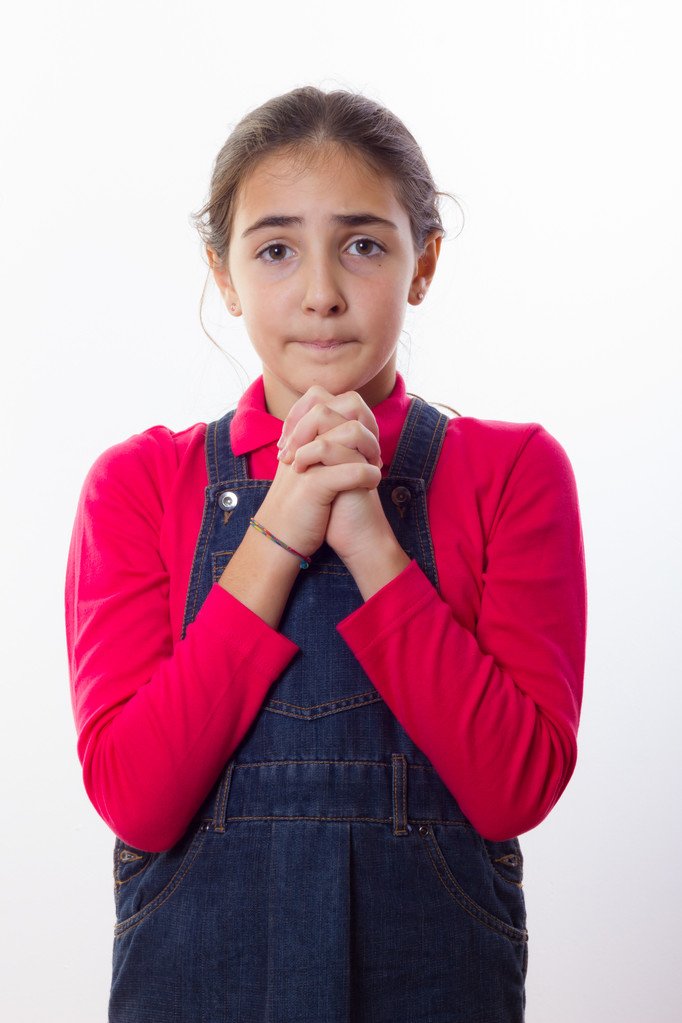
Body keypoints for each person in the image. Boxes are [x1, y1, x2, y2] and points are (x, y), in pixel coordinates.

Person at [64, 85, 587, 1023]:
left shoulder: (513, 471)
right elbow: (137, 799)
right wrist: (278, 532)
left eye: (363, 244)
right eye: (274, 249)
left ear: (422, 262)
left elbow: (513, 786)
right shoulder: (138, 485)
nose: (320, 292)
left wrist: (366, 535)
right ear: (223, 274)